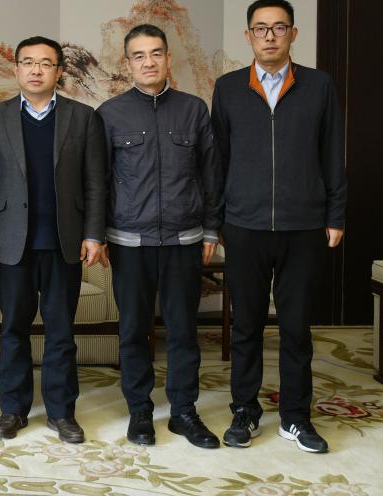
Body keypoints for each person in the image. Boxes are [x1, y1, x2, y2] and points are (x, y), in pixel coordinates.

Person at [211, 0, 347, 454]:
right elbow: (218, 159)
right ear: (248, 35)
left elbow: (333, 152)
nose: (269, 36)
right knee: (246, 326)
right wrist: (218, 219)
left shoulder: (319, 85)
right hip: (244, 225)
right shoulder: (228, 88)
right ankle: (244, 411)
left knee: (295, 327)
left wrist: (335, 214)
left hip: (303, 226)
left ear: (293, 33)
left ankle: (296, 417)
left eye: (279, 27)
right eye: (261, 28)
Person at [97, 24, 222, 449]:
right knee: (134, 330)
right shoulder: (110, 114)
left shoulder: (193, 110)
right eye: (139, 55)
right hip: (129, 242)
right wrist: (96, 235)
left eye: (155, 53)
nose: (148, 62)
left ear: (168, 59)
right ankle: (140, 411)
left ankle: (184, 412)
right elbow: (98, 181)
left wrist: (211, 228)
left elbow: (210, 174)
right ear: (127, 63)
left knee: (183, 331)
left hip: (184, 242)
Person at [0, 36, 106, 444]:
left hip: (64, 242)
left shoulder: (82, 117)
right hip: (12, 243)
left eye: (45, 63)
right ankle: (12, 410)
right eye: (28, 62)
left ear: (59, 72)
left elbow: (95, 182)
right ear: (16, 68)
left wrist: (93, 233)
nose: (36, 70)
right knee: (13, 328)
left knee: (61, 332)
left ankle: (61, 412)